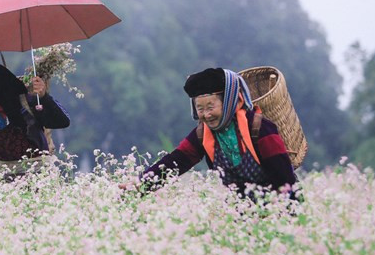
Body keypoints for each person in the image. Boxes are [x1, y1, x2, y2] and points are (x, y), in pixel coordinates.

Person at [121, 67, 298, 200]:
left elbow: (284, 178)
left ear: (227, 101)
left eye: (210, 107)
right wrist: (141, 184)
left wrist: (285, 216)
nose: (206, 115)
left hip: (277, 209)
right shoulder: (203, 134)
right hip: (241, 213)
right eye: (200, 108)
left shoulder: (259, 127)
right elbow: (176, 161)